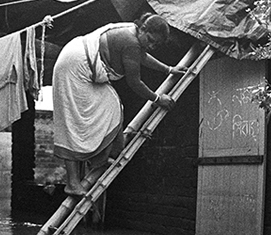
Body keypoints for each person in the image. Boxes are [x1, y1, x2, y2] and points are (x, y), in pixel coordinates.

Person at [53, 13, 187, 196]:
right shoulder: (130, 41)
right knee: (74, 122)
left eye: (156, 45)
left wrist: (169, 69)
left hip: (82, 63)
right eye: (150, 40)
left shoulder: (135, 37)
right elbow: (134, 82)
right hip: (74, 66)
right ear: (143, 29)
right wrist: (157, 99)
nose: (151, 46)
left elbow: (142, 56)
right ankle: (72, 182)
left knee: (112, 107)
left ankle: (100, 158)